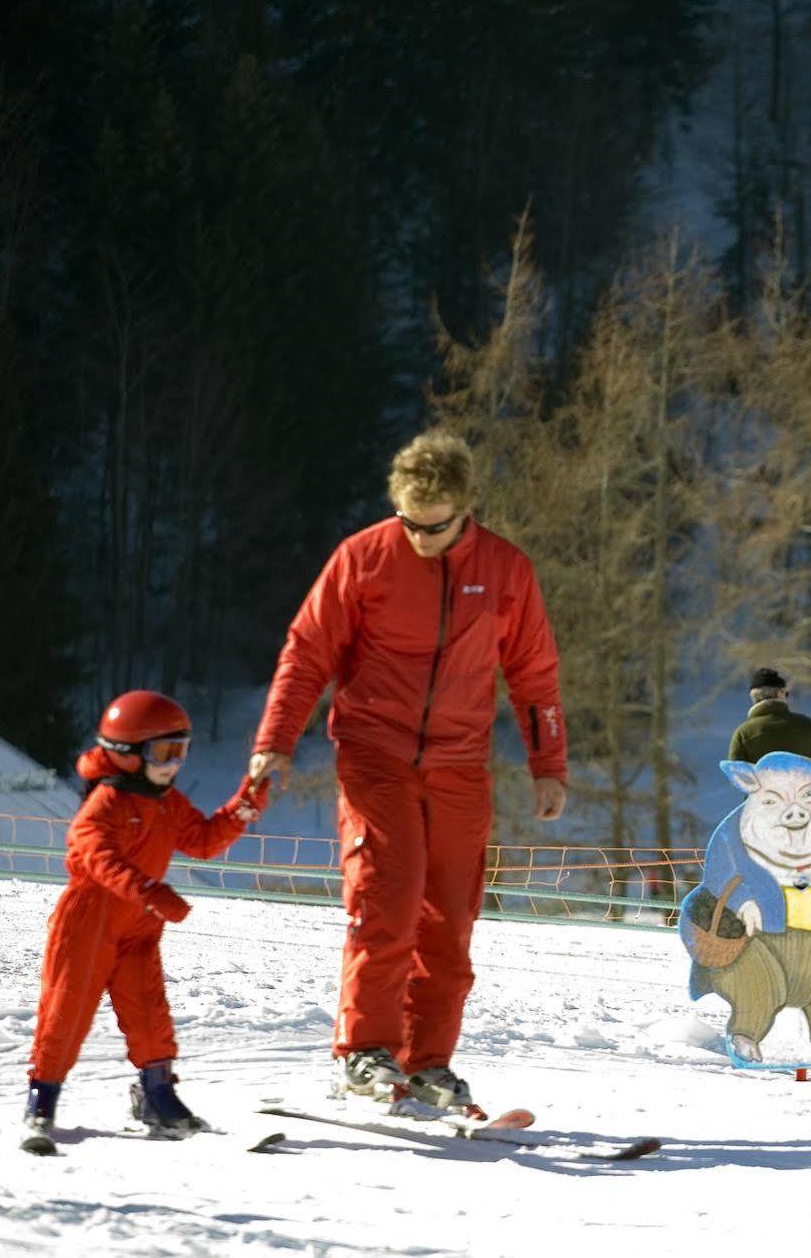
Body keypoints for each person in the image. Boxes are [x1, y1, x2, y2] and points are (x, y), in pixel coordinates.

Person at [248, 427, 568, 1115]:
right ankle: (362, 1053)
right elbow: (307, 652)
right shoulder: (362, 559)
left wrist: (548, 764)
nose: (419, 538)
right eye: (408, 523)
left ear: (465, 510)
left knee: (449, 922)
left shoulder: (507, 570)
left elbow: (534, 672)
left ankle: (428, 1064)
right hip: (374, 755)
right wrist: (276, 738)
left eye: (435, 527)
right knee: (386, 901)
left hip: (458, 766)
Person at [24, 690, 266, 1152]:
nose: (174, 764)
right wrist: (151, 891)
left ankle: (157, 1097)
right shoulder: (106, 801)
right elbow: (95, 855)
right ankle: (41, 1102)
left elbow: (203, 840)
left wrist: (244, 806)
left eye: (181, 751)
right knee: (66, 1013)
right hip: (90, 920)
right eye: (163, 752)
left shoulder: (167, 802)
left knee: (150, 1014)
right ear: (127, 755)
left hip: (139, 925)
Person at [727, 666, 811, 762]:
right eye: (786, 694)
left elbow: (736, 776)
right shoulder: (809, 726)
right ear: (780, 693)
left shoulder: (743, 733)